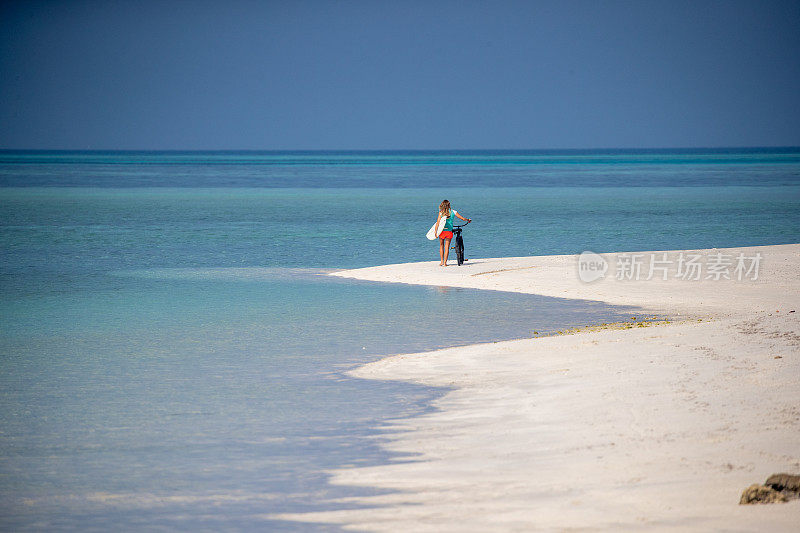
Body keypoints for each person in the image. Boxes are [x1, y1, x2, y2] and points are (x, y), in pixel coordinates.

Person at [435, 199, 471, 267]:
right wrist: (468, 220)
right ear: (449, 205)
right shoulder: (453, 212)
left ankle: (441, 262)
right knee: (447, 247)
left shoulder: (441, 212)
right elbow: (462, 218)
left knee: (441, 246)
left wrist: (435, 232)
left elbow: (438, 223)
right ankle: (445, 263)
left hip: (442, 231)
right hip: (449, 232)